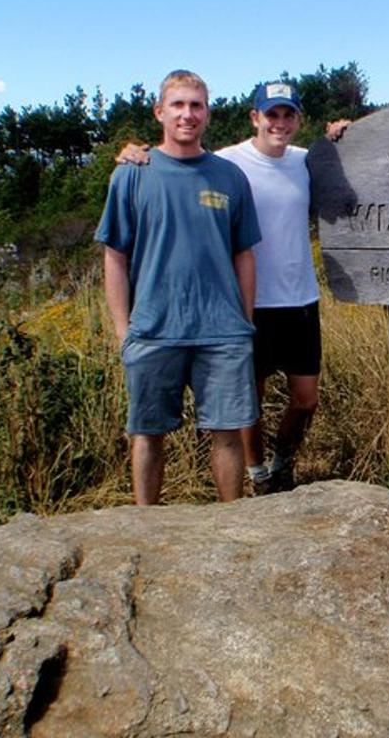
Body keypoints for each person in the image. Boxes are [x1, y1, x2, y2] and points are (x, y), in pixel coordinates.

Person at [118, 82, 349, 495]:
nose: (279, 122)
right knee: (247, 407)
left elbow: (351, 162)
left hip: (300, 299)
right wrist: (133, 153)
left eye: (288, 114)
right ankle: (258, 474)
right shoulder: (229, 163)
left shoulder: (306, 161)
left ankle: (284, 462)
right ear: (255, 117)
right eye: (271, 114)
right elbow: (180, 162)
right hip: (245, 304)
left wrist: (343, 134)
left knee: (306, 399)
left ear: (298, 119)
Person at [96, 69, 261, 505]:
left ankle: (233, 524)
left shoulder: (229, 177)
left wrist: (245, 321)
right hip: (153, 329)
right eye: (178, 105)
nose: (188, 114)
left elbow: (244, 253)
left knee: (227, 433)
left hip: (222, 331)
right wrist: (122, 330)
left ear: (208, 113)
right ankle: (147, 528)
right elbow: (115, 255)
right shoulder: (132, 175)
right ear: (159, 112)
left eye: (196, 105)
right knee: (147, 433)